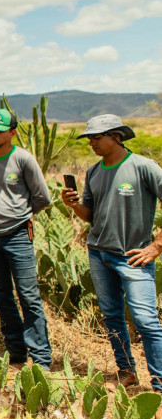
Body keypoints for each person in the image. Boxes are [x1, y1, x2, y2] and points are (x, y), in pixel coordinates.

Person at [62, 115, 162, 395]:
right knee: (113, 316)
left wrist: (155, 246)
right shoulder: (94, 172)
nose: (92, 142)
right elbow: (91, 217)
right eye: (89, 138)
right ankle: (127, 372)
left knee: (146, 322)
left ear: (117, 136)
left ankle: (160, 386)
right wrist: (73, 205)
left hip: (133, 257)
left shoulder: (144, 167)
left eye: (97, 137)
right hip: (99, 255)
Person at [0, 109, 52, 369]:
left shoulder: (23, 160)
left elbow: (42, 198)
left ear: (13, 132)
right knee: (2, 296)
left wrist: (19, 217)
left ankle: (41, 359)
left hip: (17, 235)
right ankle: (16, 353)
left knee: (28, 296)